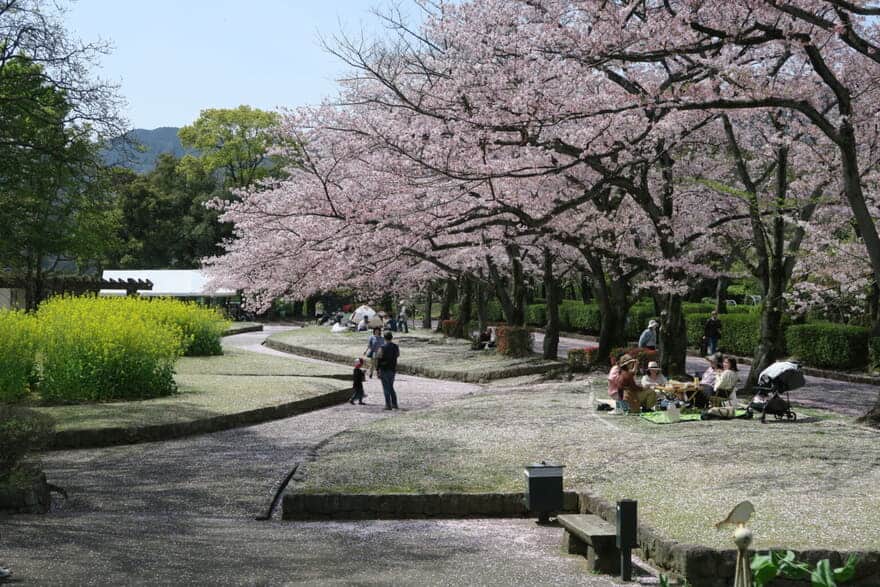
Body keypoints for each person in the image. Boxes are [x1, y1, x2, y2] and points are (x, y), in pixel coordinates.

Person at [376, 331, 400, 410]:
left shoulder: (382, 347)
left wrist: (377, 369)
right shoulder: (396, 347)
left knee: (386, 387)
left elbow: (379, 358)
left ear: (384, 338)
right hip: (392, 368)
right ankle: (394, 403)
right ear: (391, 338)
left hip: (384, 369)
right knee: (390, 386)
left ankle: (388, 405)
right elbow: (397, 355)